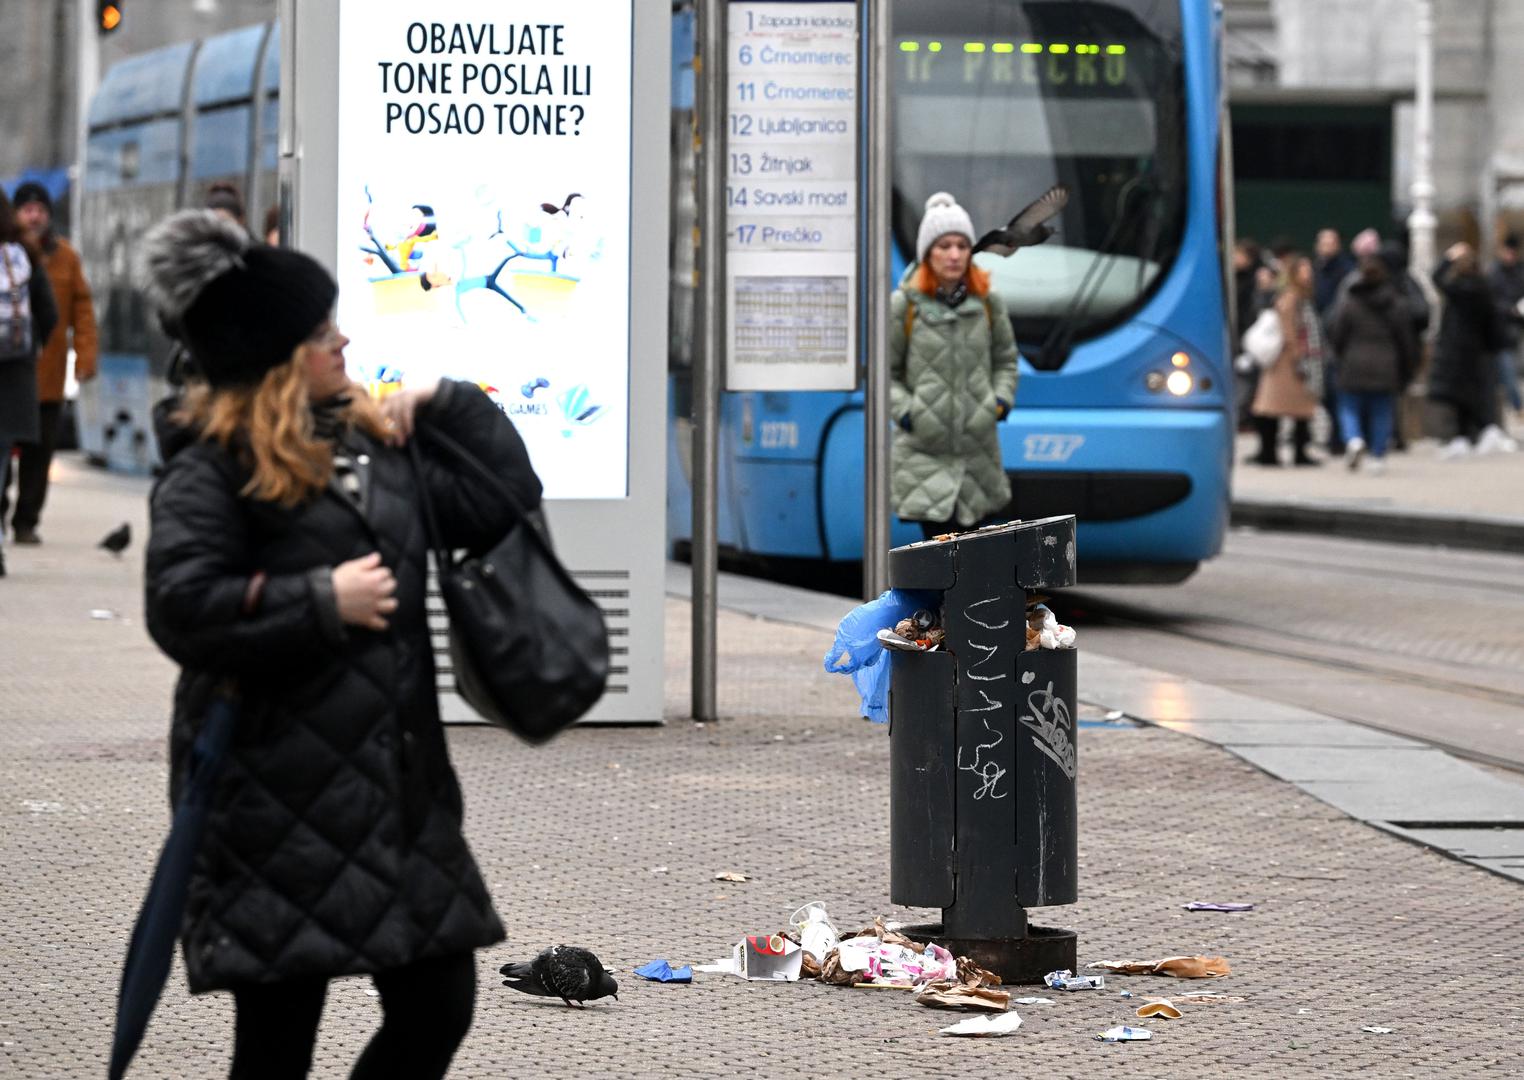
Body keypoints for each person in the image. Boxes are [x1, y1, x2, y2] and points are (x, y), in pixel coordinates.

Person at [140, 209, 541, 1078]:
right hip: (274, 799)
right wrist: (322, 600)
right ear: (281, 359)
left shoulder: (369, 441)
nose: (344, 341)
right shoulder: (212, 466)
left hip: (398, 792)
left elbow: (500, 502)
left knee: (438, 1007)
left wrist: (451, 402)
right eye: (324, 333)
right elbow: (181, 605)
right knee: (277, 1045)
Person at [889, 192, 1018, 540]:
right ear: (927, 253)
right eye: (944, 245)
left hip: (978, 456)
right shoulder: (904, 305)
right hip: (923, 455)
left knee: (975, 560)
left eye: (962, 245)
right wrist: (908, 412)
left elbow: (1006, 360)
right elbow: (886, 374)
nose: (955, 255)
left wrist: (999, 402)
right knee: (938, 556)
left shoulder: (988, 301)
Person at [1, 181, 98, 545]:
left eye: (40, 209)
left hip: (48, 375)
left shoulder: (66, 257)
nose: (34, 216)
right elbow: (49, 313)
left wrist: (84, 357)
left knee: (38, 457)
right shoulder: (19, 253)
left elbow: (82, 310)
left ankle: (25, 521)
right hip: (19, 370)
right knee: (4, 450)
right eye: (27, 209)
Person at [0, 189, 59, 578]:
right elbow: (49, 314)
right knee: (1, 459)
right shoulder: (24, 256)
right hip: (13, 375)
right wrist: (28, 347)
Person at [1328, 254, 1416, 475]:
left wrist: (1339, 355)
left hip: (1353, 361)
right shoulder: (1396, 304)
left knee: (1349, 407)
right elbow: (1405, 339)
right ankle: (1377, 455)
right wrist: (1407, 367)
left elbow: (1337, 333)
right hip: (1386, 363)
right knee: (1382, 411)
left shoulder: (1350, 302)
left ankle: (1353, 439)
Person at [1429, 242, 1511, 458]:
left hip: (1458, 350)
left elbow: (1436, 278)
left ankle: (1470, 435)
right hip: (1478, 350)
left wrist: (1448, 257)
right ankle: (1475, 433)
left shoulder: (1460, 289)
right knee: (1474, 394)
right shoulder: (1483, 287)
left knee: (1462, 396)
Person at [1248, 253, 1323, 466]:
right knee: (1275, 408)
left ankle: (1291, 452)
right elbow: (1289, 329)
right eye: (1304, 270)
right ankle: (1270, 452)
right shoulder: (1291, 298)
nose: (1308, 274)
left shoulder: (1299, 297)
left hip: (1291, 361)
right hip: (1288, 362)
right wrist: (1298, 354)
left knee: (1296, 409)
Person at [1485, 233, 1524, 420]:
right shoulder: (1494, 273)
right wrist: (1509, 309)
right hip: (1500, 330)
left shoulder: (1519, 272)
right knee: (1506, 370)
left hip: (1515, 328)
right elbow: (1491, 302)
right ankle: (1517, 406)